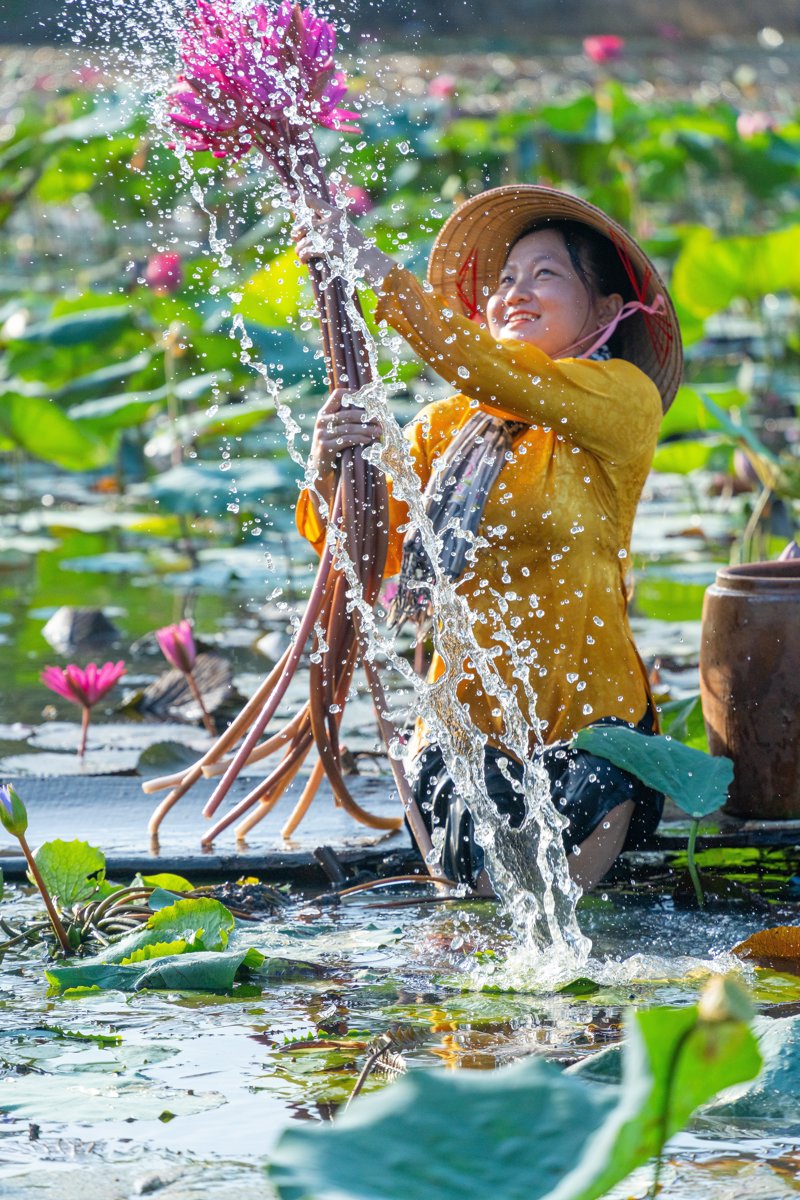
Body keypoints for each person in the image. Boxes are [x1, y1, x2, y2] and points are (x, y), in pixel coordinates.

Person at [293, 184, 683, 892]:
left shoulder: (623, 399)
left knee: (582, 831)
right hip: (466, 729)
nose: (515, 294)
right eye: (505, 280)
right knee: (472, 866)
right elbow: (365, 552)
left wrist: (382, 278)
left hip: (593, 728)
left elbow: (507, 376)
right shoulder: (445, 426)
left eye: (545, 275)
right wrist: (329, 467)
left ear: (604, 310)